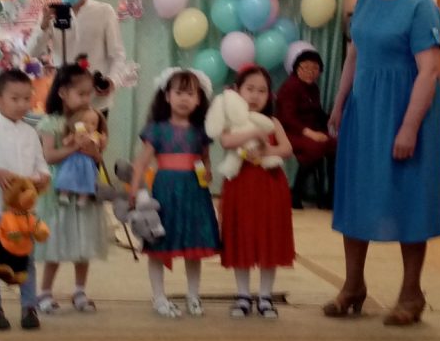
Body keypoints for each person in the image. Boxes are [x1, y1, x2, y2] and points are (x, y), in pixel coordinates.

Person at [326, 0, 440, 326]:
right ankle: (352, 285)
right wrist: (339, 103)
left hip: (403, 109)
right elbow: (354, 55)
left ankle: (412, 293)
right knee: (356, 195)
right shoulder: (364, 1)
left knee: (408, 198)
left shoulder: (420, 5)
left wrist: (409, 127)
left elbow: (429, 71)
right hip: (364, 112)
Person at [129, 68, 220, 319]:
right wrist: (134, 190)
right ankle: (159, 297)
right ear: (167, 96)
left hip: (194, 192)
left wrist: (207, 173)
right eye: (179, 92)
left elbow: (205, 160)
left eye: (190, 94)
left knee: (194, 244)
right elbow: (141, 162)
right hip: (165, 192)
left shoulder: (201, 131)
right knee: (158, 244)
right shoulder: (156, 129)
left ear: (199, 100)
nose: (184, 98)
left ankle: (193, 295)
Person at [0, 68, 51, 330]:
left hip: (24, 210)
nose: (22, 104)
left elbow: (40, 163)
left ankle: (29, 307)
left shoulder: (30, 133)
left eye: (27, 98)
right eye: (15, 98)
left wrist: (43, 176)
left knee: (26, 257)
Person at [218, 65, 295, 319]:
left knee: (268, 238)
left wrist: (266, 151)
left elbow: (286, 149)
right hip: (240, 186)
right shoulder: (232, 123)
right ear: (237, 91)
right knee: (240, 237)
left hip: (270, 186)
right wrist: (251, 134)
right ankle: (242, 295)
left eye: (262, 91)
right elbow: (226, 141)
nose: (255, 95)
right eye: (249, 89)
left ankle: (265, 296)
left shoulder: (272, 122)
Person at [35, 63, 109, 314]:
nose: (87, 99)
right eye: (81, 93)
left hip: (85, 186)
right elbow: (49, 155)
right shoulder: (52, 122)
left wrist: (94, 149)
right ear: (63, 93)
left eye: (89, 94)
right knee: (56, 240)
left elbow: (99, 157)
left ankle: (79, 290)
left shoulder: (91, 119)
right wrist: (74, 146)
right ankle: (45, 292)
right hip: (59, 187)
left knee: (83, 239)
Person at [27, 0, 126, 113]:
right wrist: (43, 25)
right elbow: (32, 52)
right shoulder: (51, 14)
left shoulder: (104, 11)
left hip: (96, 100)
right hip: (64, 100)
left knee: (93, 130)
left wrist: (112, 81)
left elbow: (118, 54)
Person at [275, 46, 337, 209]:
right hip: (289, 132)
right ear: (297, 68)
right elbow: (288, 118)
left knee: (335, 144)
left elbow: (317, 112)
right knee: (315, 147)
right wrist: (311, 134)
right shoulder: (290, 87)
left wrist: (333, 119)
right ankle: (296, 193)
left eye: (315, 68)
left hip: (309, 131)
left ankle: (330, 195)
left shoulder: (313, 88)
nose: (310, 72)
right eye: (306, 67)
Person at [54, 106, 106, 207]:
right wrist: (69, 139)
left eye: (93, 123)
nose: (89, 126)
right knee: (67, 175)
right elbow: (65, 143)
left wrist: (100, 141)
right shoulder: (75, 133)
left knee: (87, 178)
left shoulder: (94, 135)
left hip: (87, 162)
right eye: (85, 122)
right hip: (73, 160)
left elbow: (97, 147)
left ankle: (83, 197)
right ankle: (64, 193)